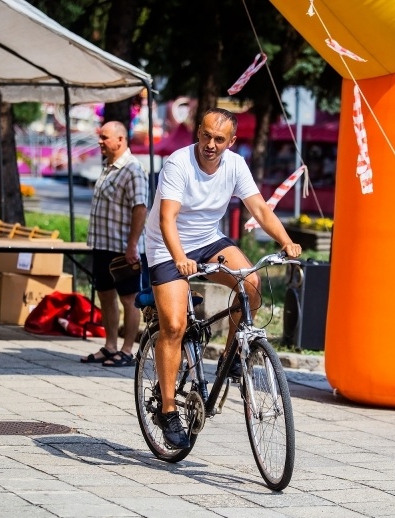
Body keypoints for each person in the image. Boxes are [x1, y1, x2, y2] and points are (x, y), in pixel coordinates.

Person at [145, 108, 301, 449]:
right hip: (166, 245)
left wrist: (285, 241)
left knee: (252, 285)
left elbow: (260, 209)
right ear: (197, 133)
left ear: (231, 142)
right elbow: (167, 220)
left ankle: (232, 358)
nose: (210, 144)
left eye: (219, 139)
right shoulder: (178, 164)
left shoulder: (235, 165)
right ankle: (169, 410)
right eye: (205, 136)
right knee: (174, 326)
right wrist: (179, 258)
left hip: (207, 240)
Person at [81, 121, 148, 367]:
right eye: (100, 137)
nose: (100, 141)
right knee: (106, 297)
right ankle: (110, 346)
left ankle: (127, 350)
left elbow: (140, 208)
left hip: (122, 249)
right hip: (102, 245)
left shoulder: (132, 168)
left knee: (128, 299)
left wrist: (132, 245)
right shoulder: (109, 167)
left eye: (105, 137)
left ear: (121, 139)